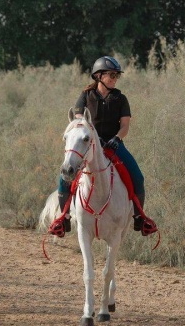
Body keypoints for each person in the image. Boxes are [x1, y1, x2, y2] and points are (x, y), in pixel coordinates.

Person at [49, 56, 149, 237]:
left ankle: (139, 218)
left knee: (137, 176)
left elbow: (125, 125)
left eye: (116, 75)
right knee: (65, 176)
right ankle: (63, 218)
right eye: (111, 74)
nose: (114, 78)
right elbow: (79, 120)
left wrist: (117, 138)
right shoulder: (86, 96)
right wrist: (94, 137)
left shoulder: (120, 98)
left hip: (113, 144)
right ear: (98, 75)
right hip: (89, 144)